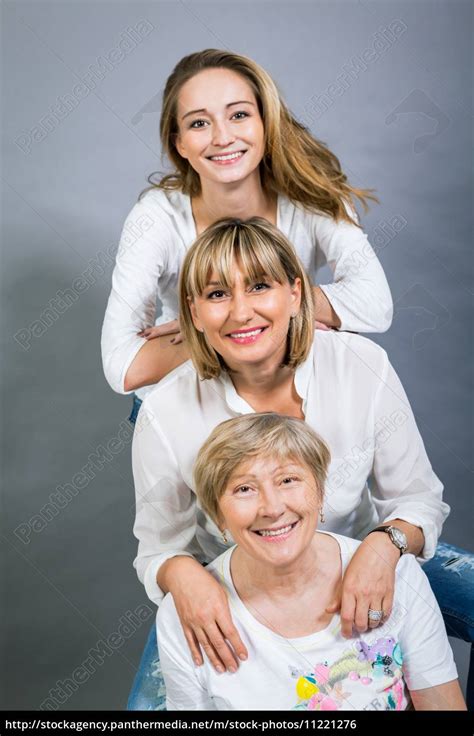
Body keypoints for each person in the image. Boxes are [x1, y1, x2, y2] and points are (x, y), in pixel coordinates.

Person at [130, 217, 474, 710]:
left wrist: (384, 547)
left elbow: (418, 499)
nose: (241, 313)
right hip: (237, 584)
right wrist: (186, 578)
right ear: (194, 311)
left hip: (367, 556)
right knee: (146, 711)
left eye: (261, 287)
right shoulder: (166, 411)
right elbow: (159, 548)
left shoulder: (362, 364)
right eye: (217, 294)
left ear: (296, 294)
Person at [101, 48, 393, 422]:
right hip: (187, 405)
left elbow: (376, 304)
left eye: (239, 115)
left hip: (282, 399)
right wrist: (254, 327)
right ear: (179, 143)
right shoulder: (156, 216)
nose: (222, 137)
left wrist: (225, 321)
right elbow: (122, 366)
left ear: (265, 122)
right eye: (198, 124)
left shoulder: (313, 198)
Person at [156, 412, 466, 711]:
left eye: (288, 480)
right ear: (218, 516)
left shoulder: (397, 574)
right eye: (244, 489)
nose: (272, 508)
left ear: (319, 494)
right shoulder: (184, 613)